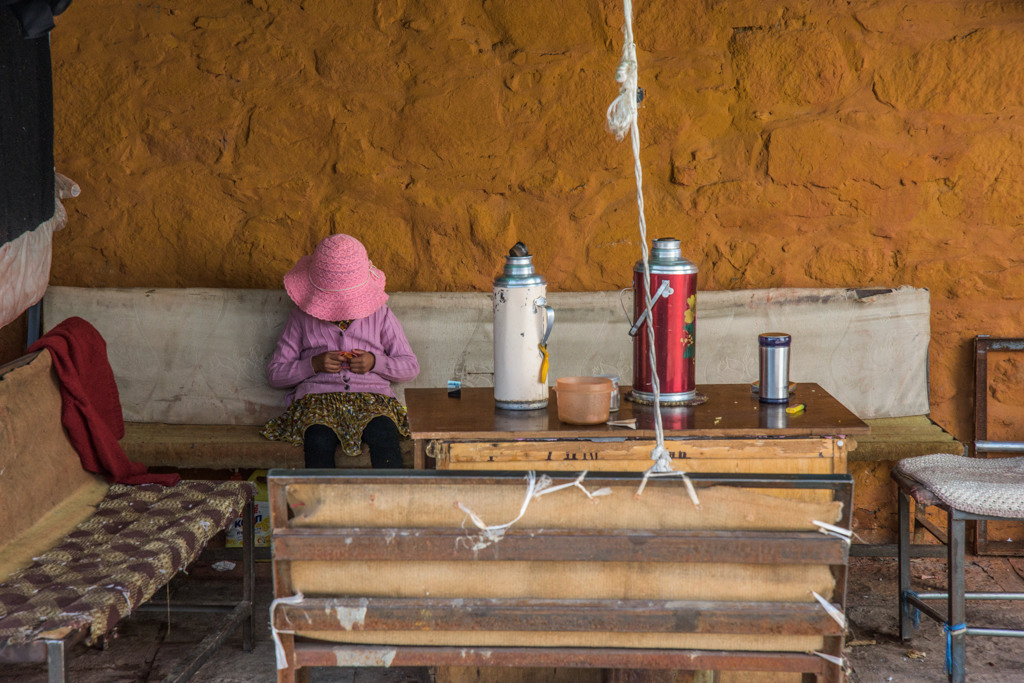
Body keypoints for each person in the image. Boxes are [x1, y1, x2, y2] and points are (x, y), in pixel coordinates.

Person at [260, 234, 419, 468]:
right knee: (318, 440)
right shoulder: (300, 317)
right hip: (316, 402)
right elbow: (276, 374)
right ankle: (322, 504)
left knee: (385, 434)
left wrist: (375, 362)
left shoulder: (381, 314)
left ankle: (389, 504)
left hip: (373, 401)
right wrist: (313, 364)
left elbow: (410, 366)